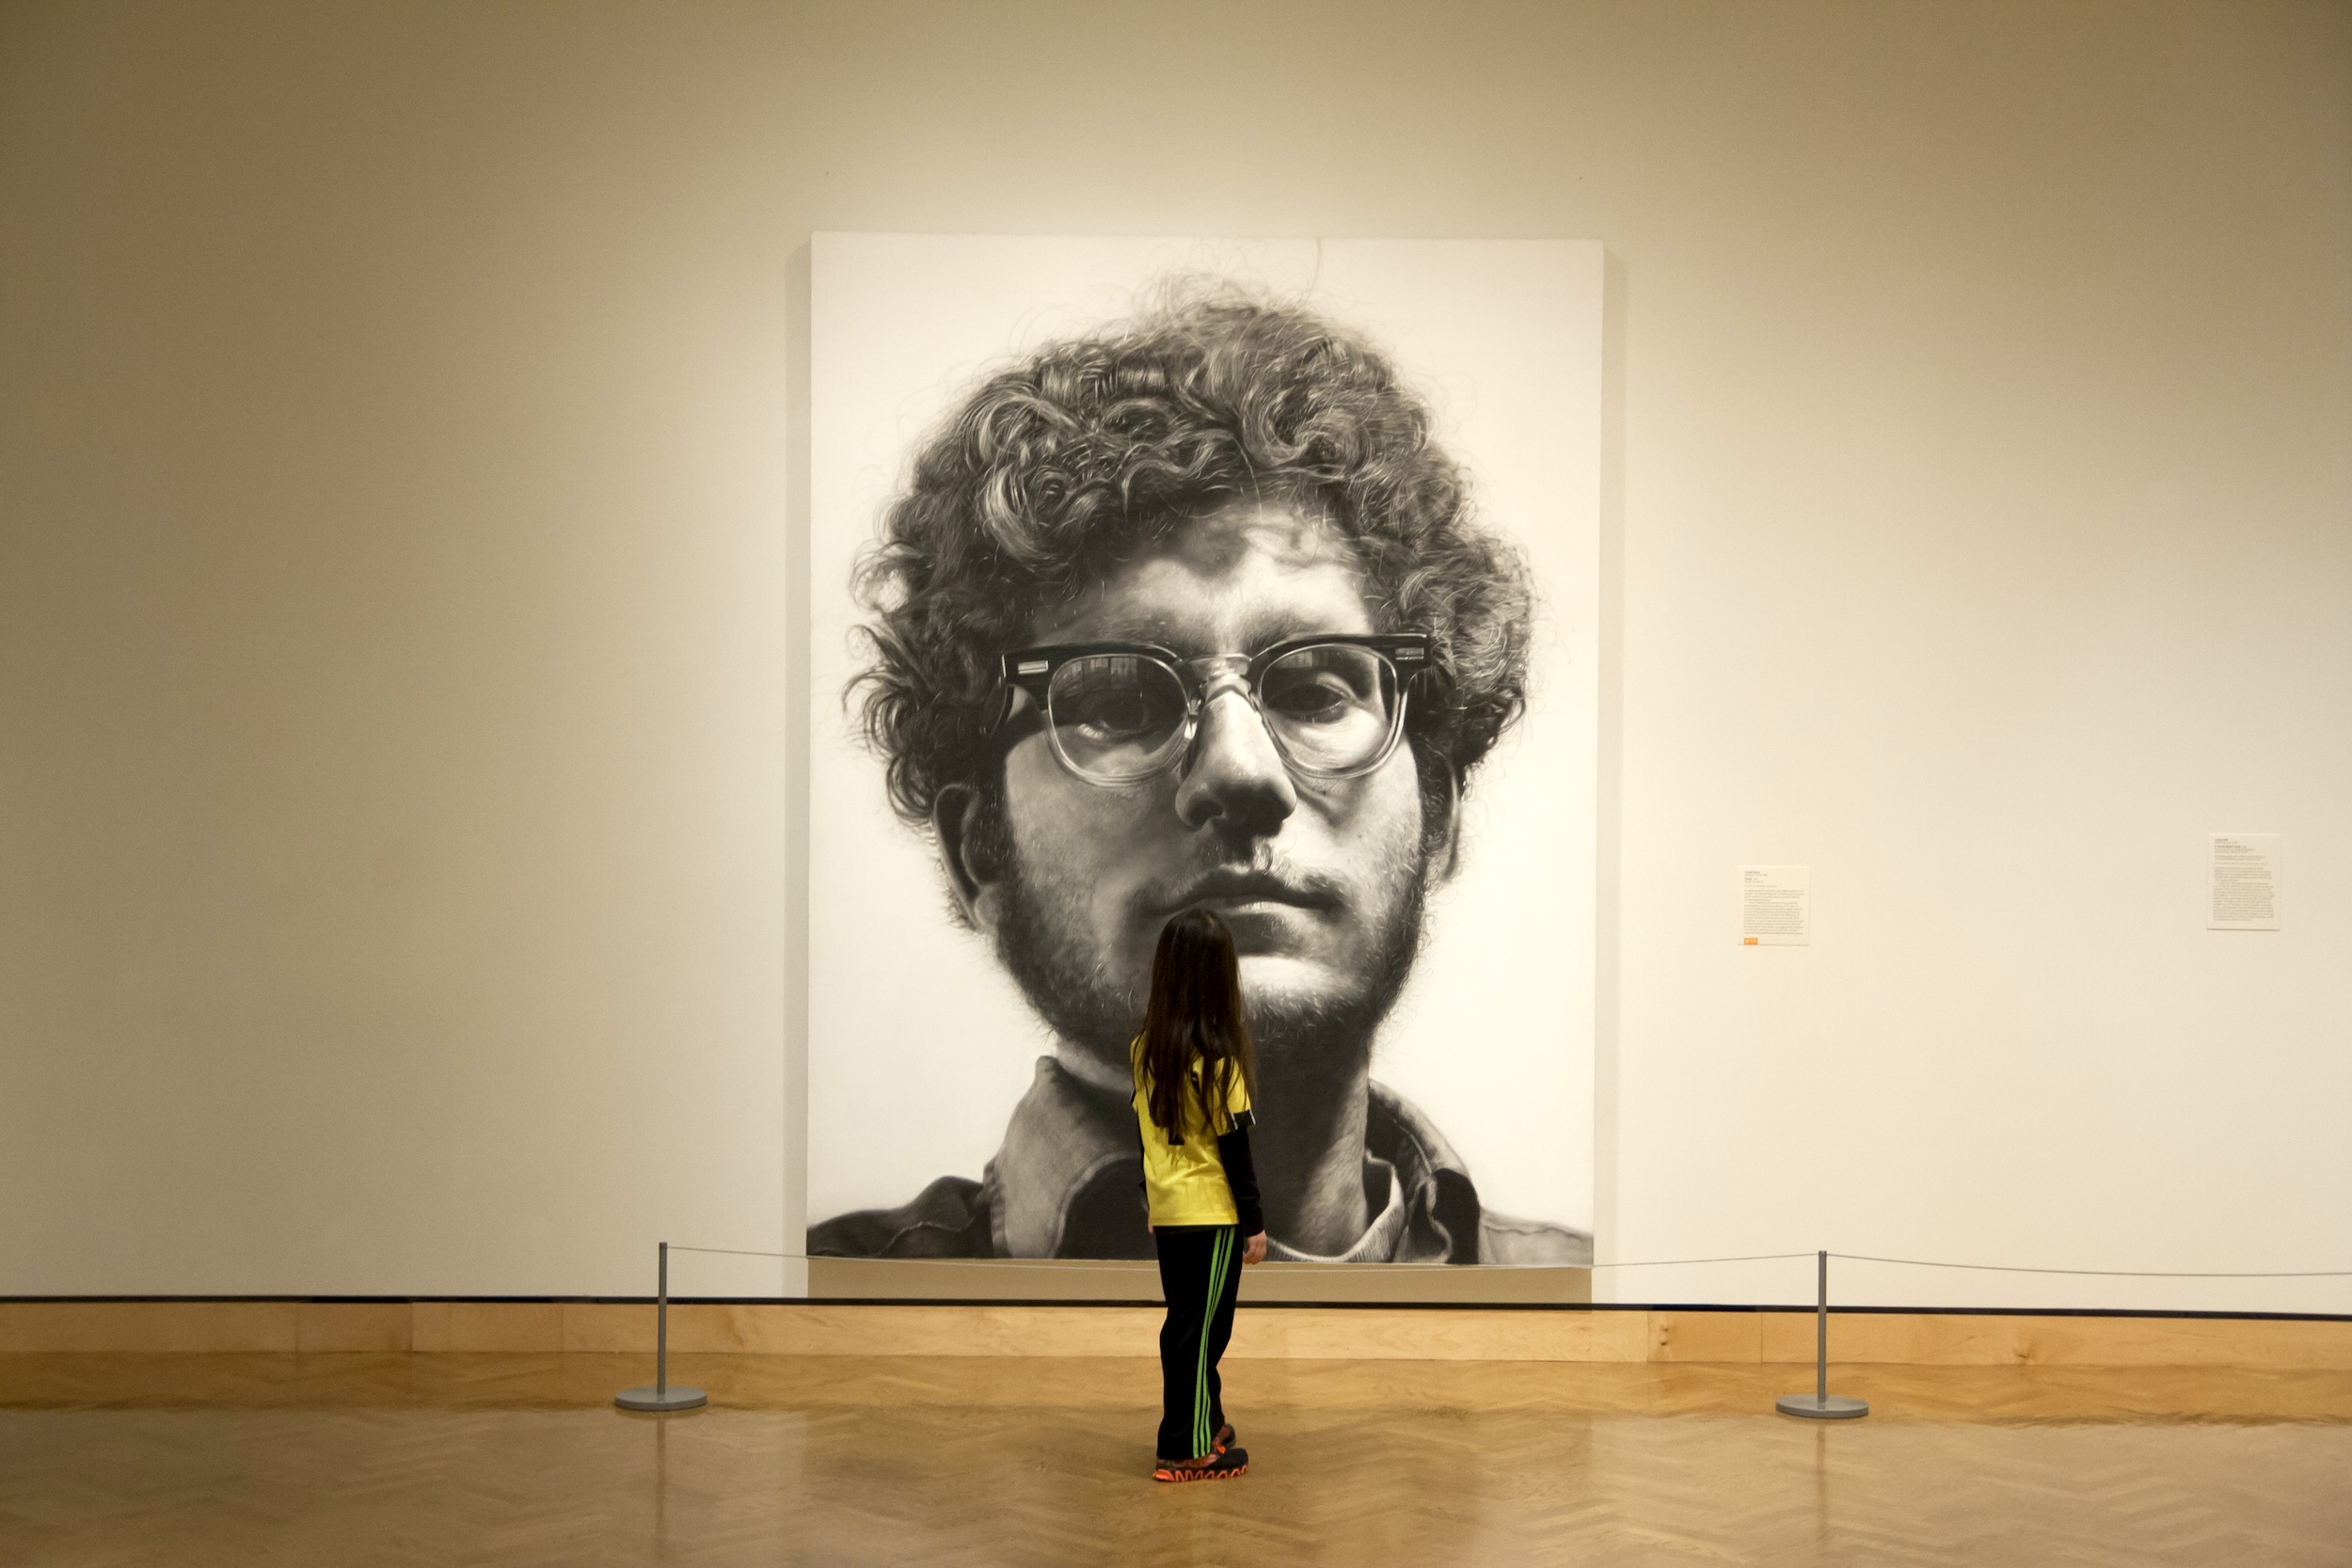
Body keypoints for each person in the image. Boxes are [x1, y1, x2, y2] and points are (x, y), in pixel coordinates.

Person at [811, 291, 1591, 1267]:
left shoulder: (1590, 1300)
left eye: (1314, 691)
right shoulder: (812, 1309)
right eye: (1119, 704)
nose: (1238, 770)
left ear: (1439, 818)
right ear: (981, 854)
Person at [1135, 908, 1264, 1482]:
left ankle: (1203, 1420)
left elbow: (1144, 1135)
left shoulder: (1145, 1050)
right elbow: (1236, 1150)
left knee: (1192, 1325)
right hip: (1212, 1215)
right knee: (1201, 1330)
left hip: (1171, 1211)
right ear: (1219, 979)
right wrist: (1254, 1222)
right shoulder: (1219, 1061)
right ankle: (1184, 1450)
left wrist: (1152, 1200)